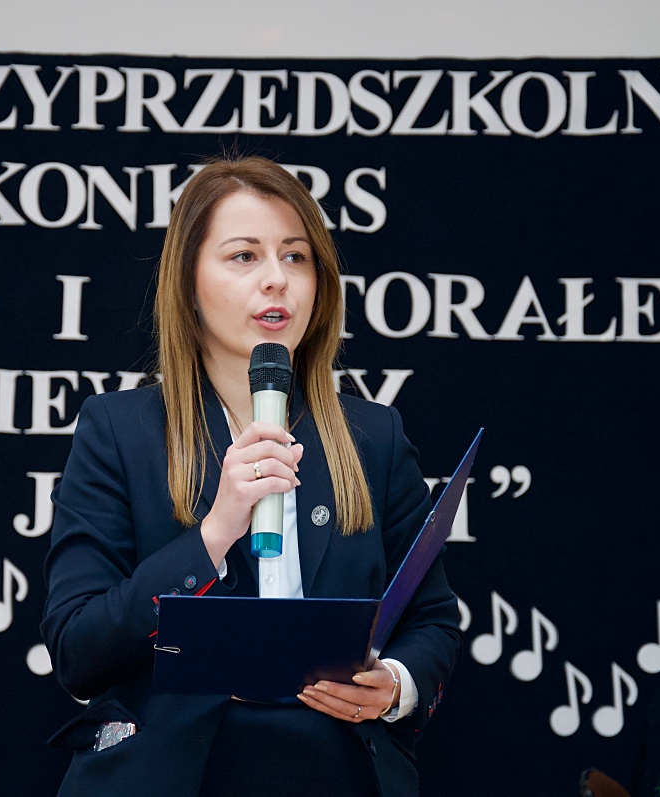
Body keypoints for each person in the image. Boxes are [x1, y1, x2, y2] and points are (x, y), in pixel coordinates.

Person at [40, 156, 462, 797]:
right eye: (244, 256)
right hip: (172, 773)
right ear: (188, 281)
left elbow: (431, 620)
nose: (276, 279)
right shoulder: (118, 431)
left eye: (296, 256)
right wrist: (213, 534)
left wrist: (395, 684)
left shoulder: (374, 436)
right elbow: (79, 650)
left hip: (334, 767)